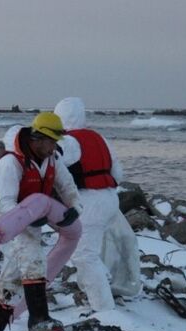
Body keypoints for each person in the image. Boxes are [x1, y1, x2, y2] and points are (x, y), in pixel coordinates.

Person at [0, 112, 82, 331]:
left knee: (12, 279)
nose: (54, 146)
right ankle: (38, 319)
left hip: (31, 221)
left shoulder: (52, 159)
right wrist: (27, 220)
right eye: (52, 141)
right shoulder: (9, 164)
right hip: (5, 222)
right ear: (38, 138)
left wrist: (75, 208)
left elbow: (67, 186)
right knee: (34, 259)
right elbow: (8, 205)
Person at [54, 97, 124, 312]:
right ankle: (98, 285)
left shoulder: (68, 142)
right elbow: (118, 173)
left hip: (90, 202)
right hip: (111, 199)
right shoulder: (98, 137)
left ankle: (104, 309)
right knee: (87, 251)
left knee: (84, 255)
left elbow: (52, 166)